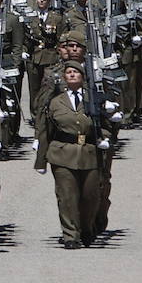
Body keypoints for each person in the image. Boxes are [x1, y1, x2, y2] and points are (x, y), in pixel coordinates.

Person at [34, 61, 110, 248]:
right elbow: (45, 130)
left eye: (76, 72)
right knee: (67, 196)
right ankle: (70, 235)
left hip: (89, 153)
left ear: (83, 77)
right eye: (68, 72)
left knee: (90, 196)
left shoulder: (93, 99)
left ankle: (86, 228)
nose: (72, 75)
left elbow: (106, 125)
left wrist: (105, 137)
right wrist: (40, 160)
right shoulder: (54, 102)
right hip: (62, 153)